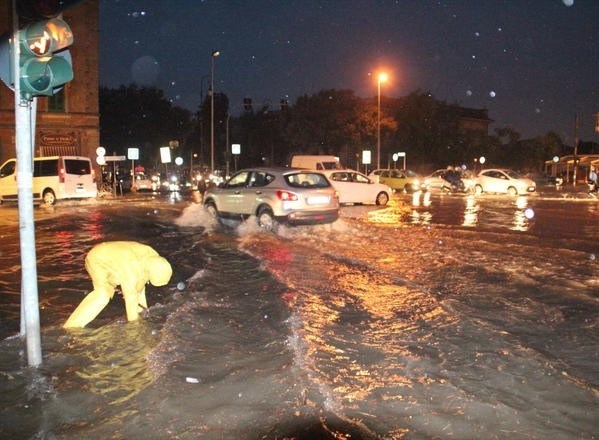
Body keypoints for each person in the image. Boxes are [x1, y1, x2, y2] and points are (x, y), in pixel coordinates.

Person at [64, 241, 172, 328]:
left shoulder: (152, 256)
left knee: (133, 289)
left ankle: (140, 314)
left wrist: (144, 311)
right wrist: (135, 327)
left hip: (112, 254)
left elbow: (141, 283)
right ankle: (72, 326)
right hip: (97, 259)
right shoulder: (131, 270)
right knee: (103, 294)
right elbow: (130, 297)